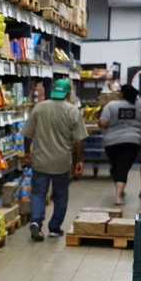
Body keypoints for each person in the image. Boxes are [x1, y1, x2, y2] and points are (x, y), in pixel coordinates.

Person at [22, 78, 88, 242]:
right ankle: (54, 227)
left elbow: (27, 134)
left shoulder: (39, 108)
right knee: (60, 195)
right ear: (67, 93)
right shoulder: (72, 111)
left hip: (40, 160)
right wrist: (80, 160)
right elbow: (78, 141)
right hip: (62, 162)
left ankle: (36, 221)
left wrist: (27, 153)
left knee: (38, 193)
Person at [99, 85, 141, 205]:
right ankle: (119, 193)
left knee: (117, 167)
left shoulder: (111, 105)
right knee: (122, 167)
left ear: (122, 94)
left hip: (112, 142)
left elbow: (103, 123)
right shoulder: (139, 105)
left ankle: (118, 196)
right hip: (132, 140)